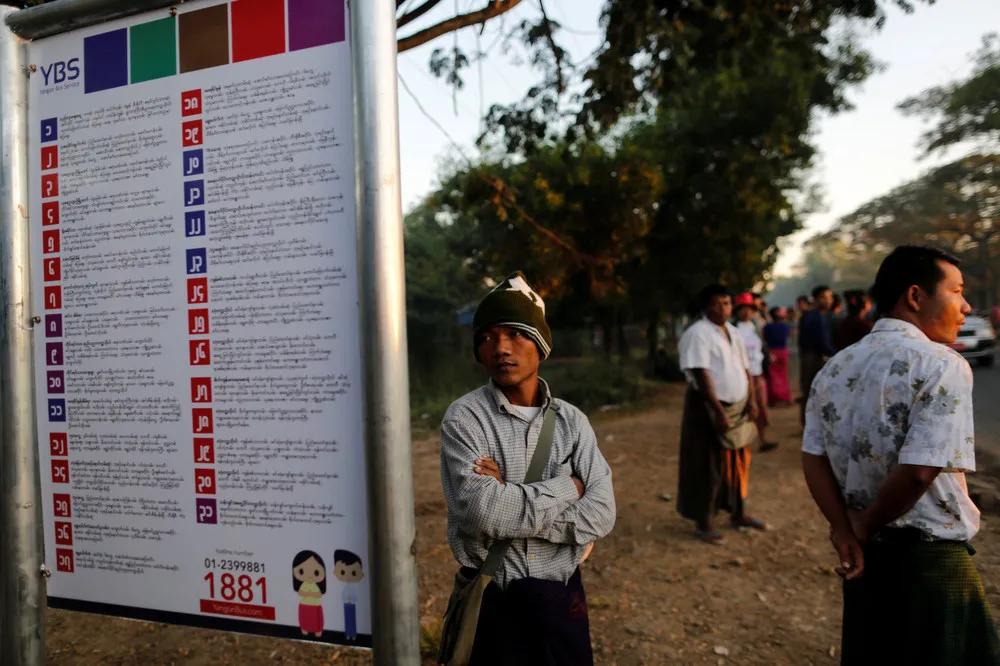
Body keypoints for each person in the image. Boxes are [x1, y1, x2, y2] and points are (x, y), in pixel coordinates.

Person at [801, 245, 1000, 666]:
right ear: (914, 296)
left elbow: (813, 458)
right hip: (929, 561)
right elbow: (918, 473)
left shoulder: (833, 368)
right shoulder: (942, 364)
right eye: (956, 291)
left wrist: (845, 531)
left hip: (865, 559)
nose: (966, 306)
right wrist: (862, 525)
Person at [440, 271, 616, 666]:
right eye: (487, 337)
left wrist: (510, 498)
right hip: (495, 600)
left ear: (540, 343)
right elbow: (483, 513)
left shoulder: (572, 422)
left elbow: (603, 514)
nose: (501, 348)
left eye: (515, 334)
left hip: (563, 597)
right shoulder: (465, 418)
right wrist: (570, 488)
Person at [677, 285, 767, 546]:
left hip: (738, 406)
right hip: (708, 407)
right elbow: (701, 374)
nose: (724, 309)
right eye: (718, 304)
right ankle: (704, 521)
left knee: (738, 462)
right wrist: (717, 411)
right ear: (707, 306)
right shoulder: (698, 333)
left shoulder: (734, 332)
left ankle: (738, 512)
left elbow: (745, 367)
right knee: (708, 464)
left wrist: (752, 400)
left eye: (727, 303)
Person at [733, 293, 778, 452]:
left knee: (761, 407)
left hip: (758, 373)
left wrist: (768, 355)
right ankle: (742, 443)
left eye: (749, 309)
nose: (746, 312)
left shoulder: (756, 326)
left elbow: (763, 344)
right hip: (742, 375)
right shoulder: (733, 329)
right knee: (743, 408)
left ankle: (762, 439)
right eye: (743, 309)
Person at [797, 285, 836, 424]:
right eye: (825, 297)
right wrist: (836, 354)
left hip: (810, 356)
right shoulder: (816, 317)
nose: (829, 301)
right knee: (813, 391)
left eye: (830, 297)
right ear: (816, 299)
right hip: (813, 357)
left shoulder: (813, 315)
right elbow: (822, 341)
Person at [763, 307, 793, 406]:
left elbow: (765, 340)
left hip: (772, 352)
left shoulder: (767, 327)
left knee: (773, 376)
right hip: (783, 351)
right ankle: (786, 397)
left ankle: (774, 398)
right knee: (783, 374)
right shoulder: (786, 326)